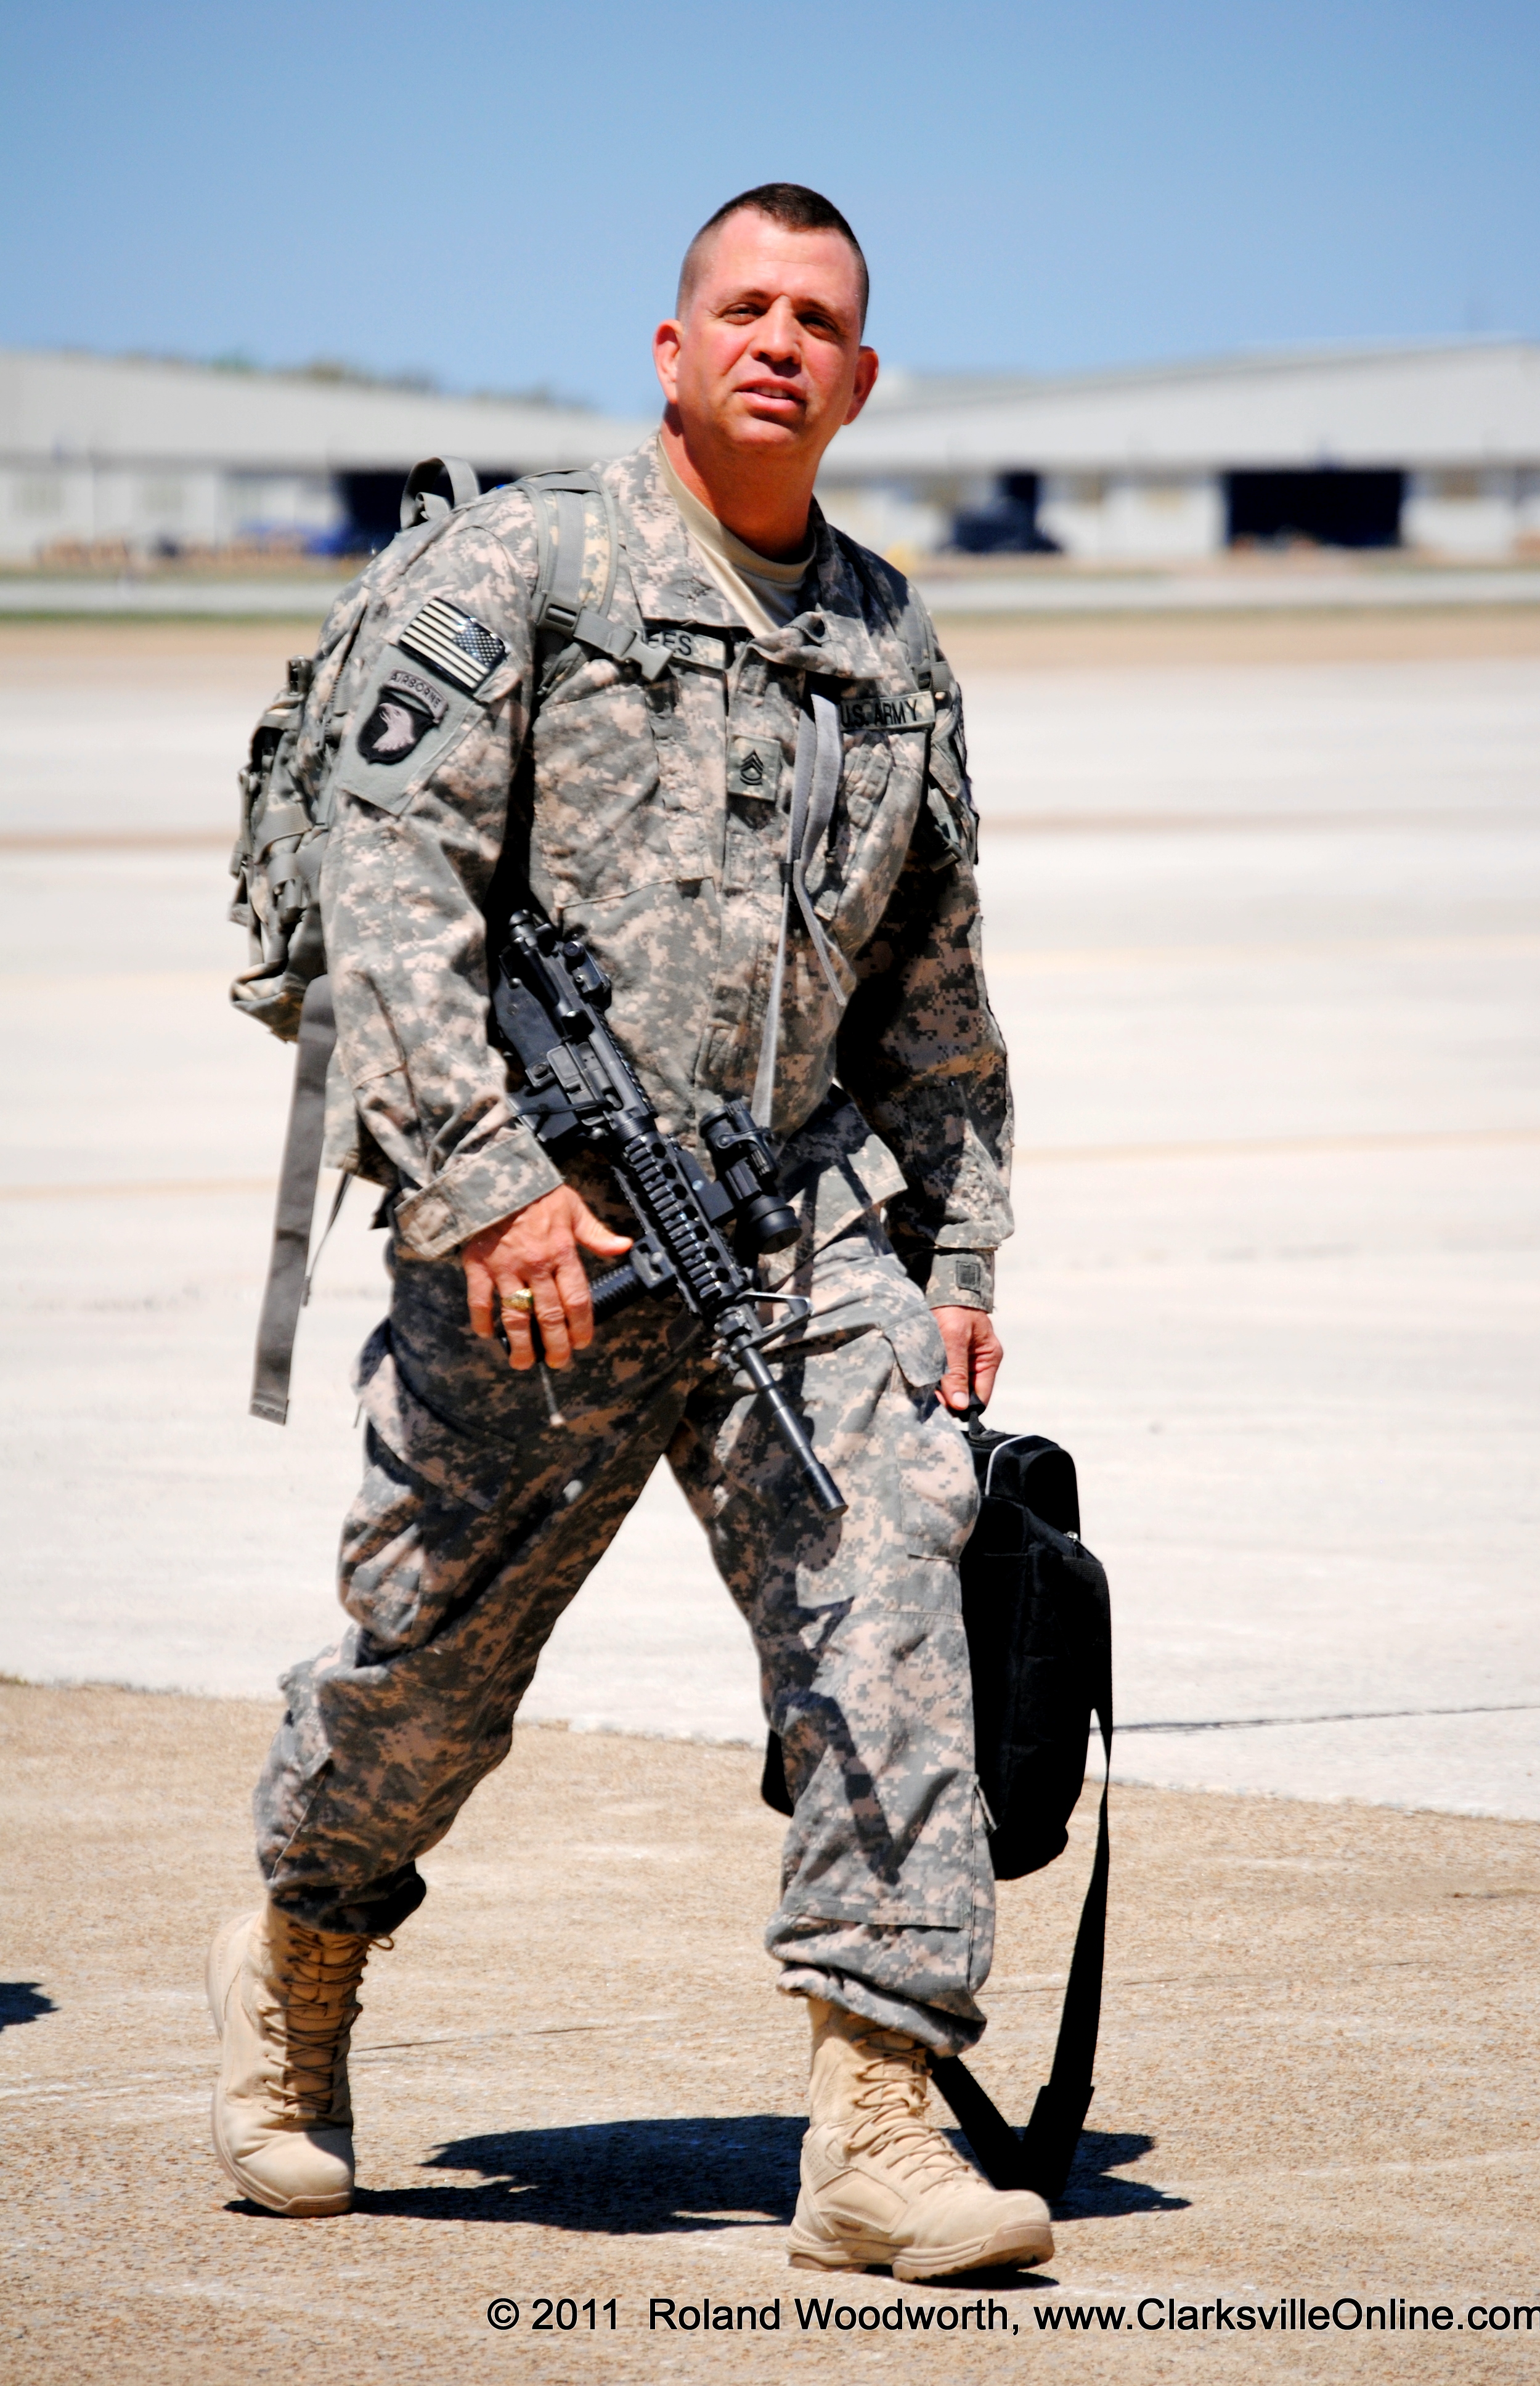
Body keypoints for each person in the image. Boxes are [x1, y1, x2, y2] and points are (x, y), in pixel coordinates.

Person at [208, 182, 1051, 2281]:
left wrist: (956, 1253)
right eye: (744, 307)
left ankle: (875, 2116)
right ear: (672, 350)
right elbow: (388, 878)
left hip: (791, 1231)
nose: (781, 341)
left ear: (859, 379)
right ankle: (300, 1962)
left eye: (819, 320)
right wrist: (484, 1178)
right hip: (539, 1238)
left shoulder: (885, 642)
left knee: (898, 1587)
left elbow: (934, 978)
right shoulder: (527, 571)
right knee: (428, 1678)